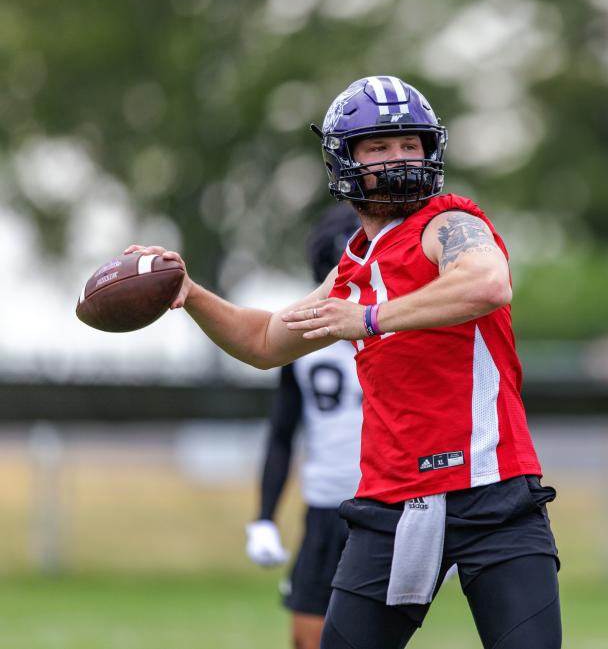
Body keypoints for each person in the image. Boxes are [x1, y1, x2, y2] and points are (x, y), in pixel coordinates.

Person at [126, 75, 561, 649]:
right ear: (344, 160)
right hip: (393, 503)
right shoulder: (352, 269)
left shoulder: (450, 224)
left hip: (494, 494)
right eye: (379, 147)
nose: (400, 157)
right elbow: (263, 342)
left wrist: (371, 319)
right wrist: (192, 293)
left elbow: (488, 282)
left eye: (410, 144)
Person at [244, 204, 363, 649]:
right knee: (308, 637)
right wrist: (264, 518)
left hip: (393, 502)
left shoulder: (406, 324)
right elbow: (282, 432)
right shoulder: (302, 337)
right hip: (327, 504)